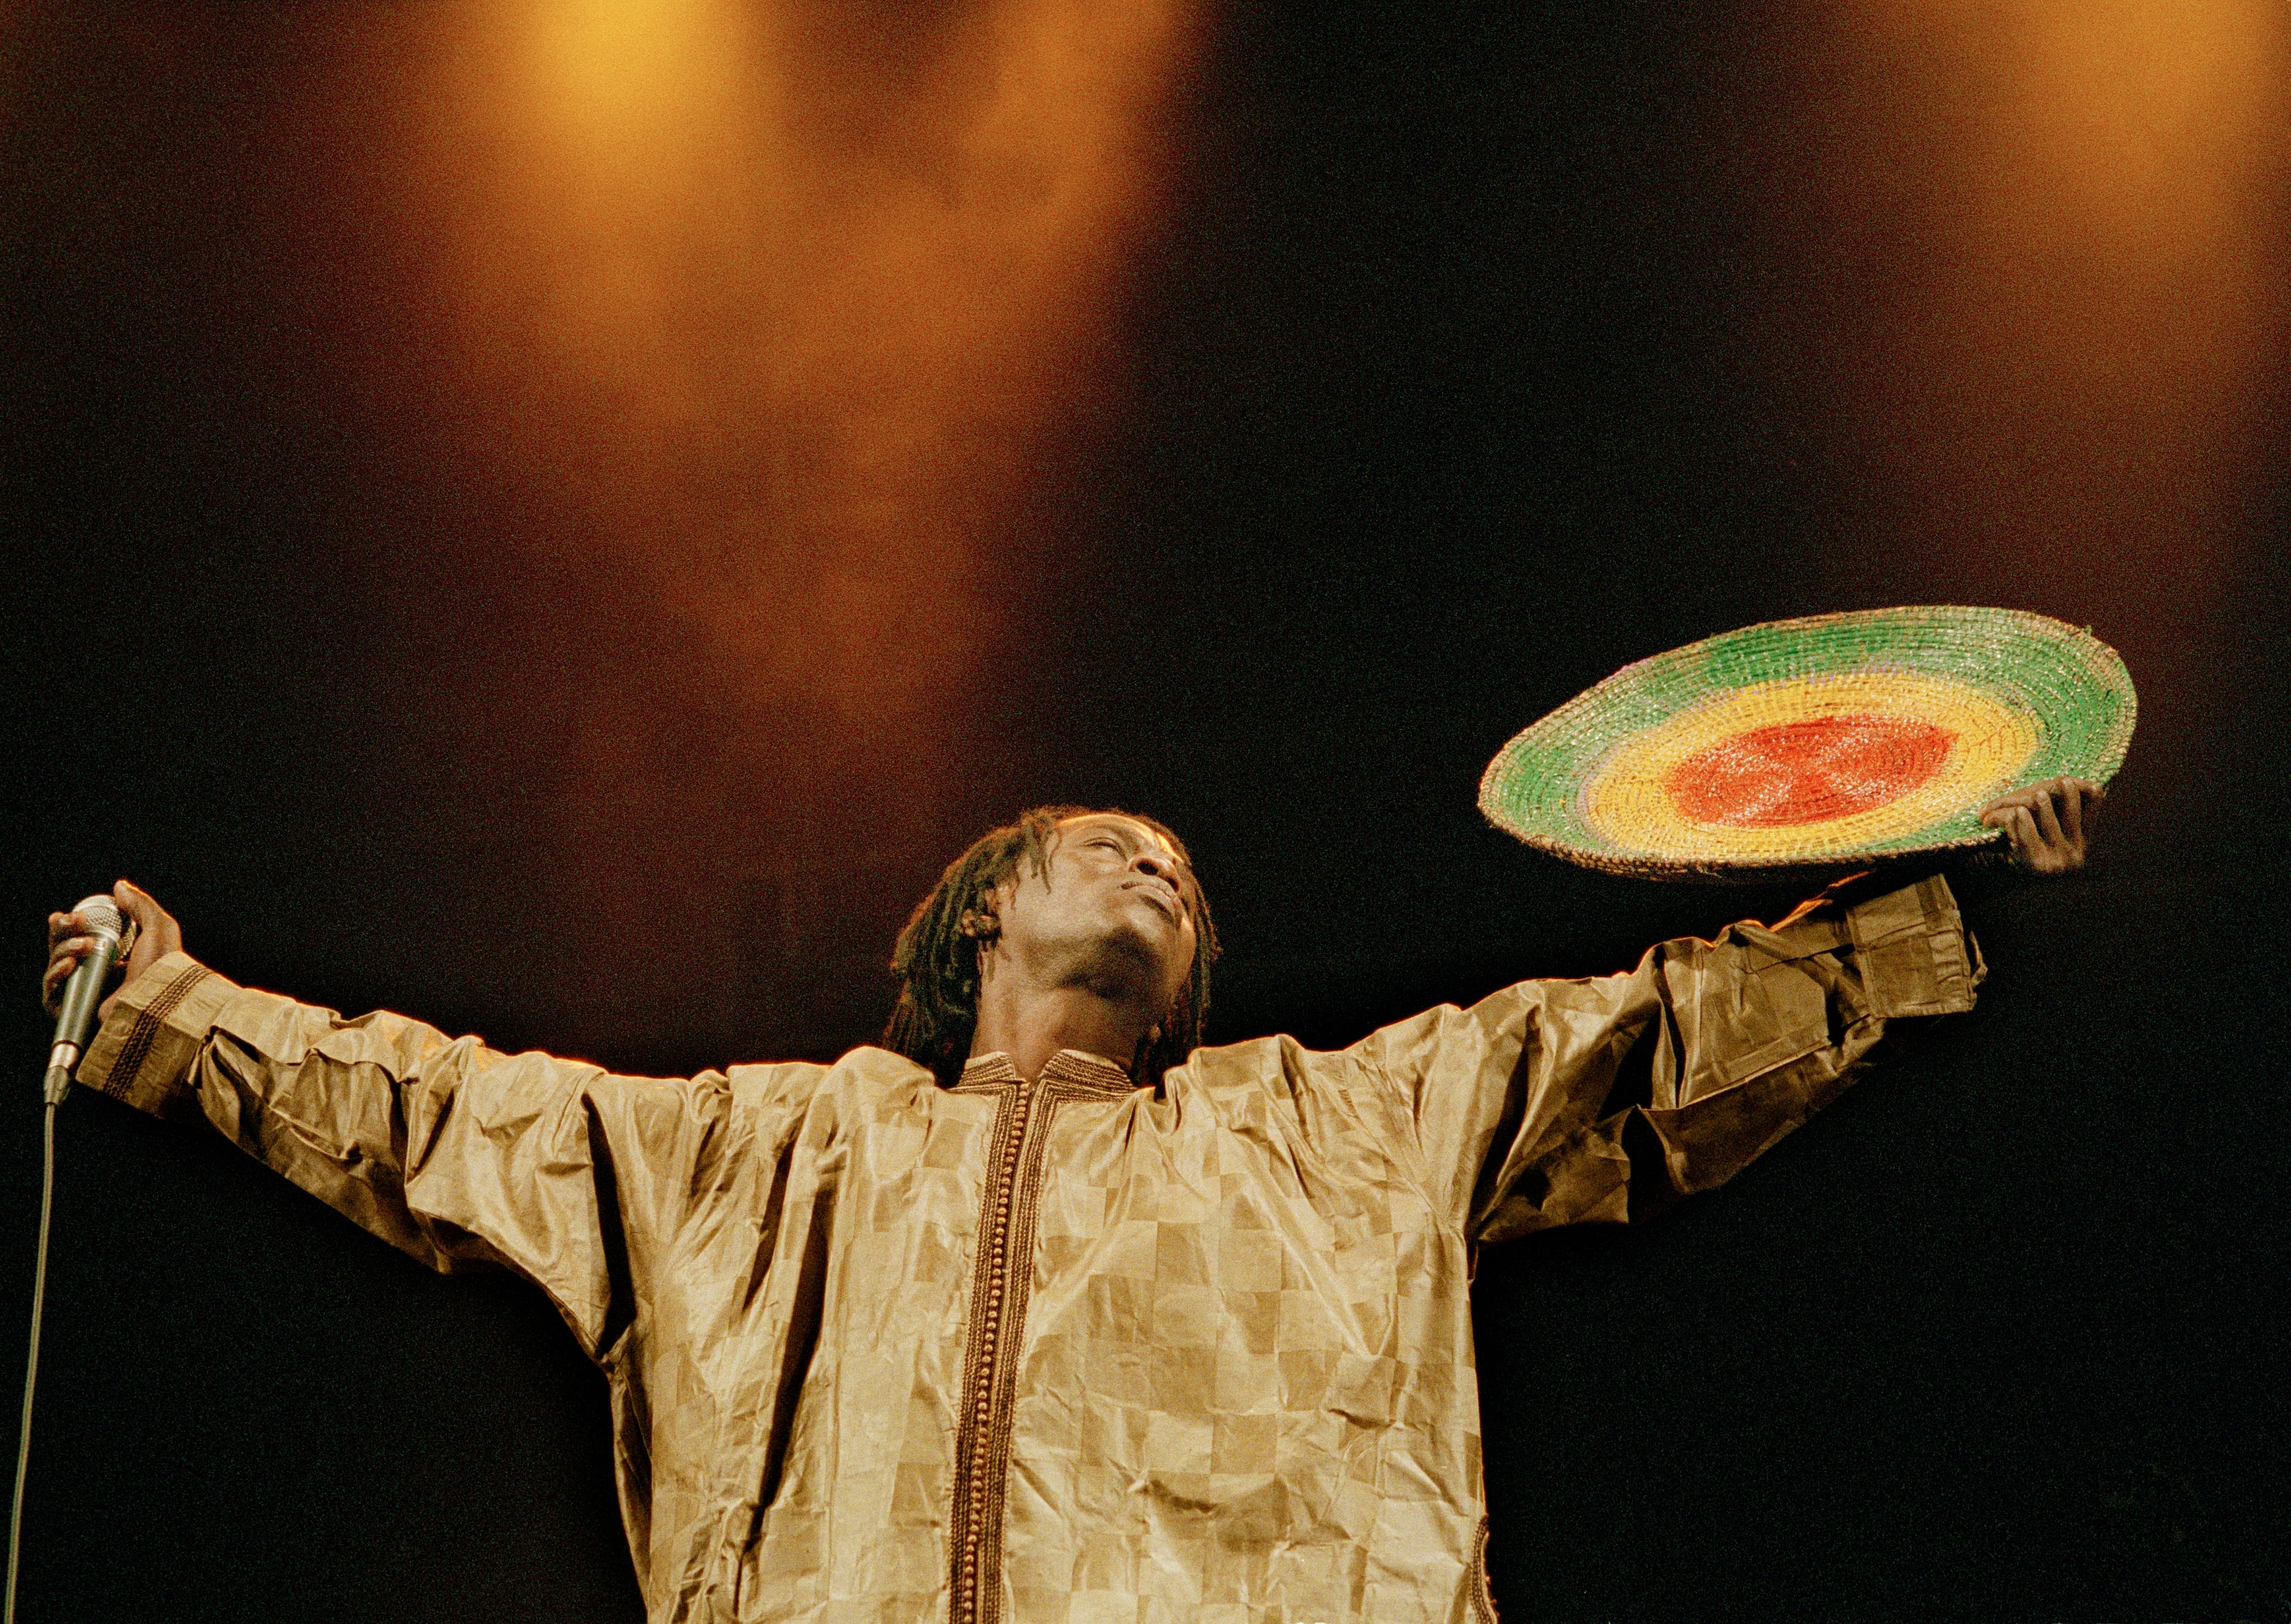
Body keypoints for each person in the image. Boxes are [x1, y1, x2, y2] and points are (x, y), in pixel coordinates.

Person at [42, 782, 2101, 1624]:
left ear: (1191, 996)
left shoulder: (1340, 1123)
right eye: (1110, 845)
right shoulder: (767, 1155)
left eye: (1182, 877)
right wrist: (172, 1008)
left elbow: (1649, 1041)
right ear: (981, 918)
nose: (1161, 868)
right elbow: (435, 1112)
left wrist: (1942, 897)